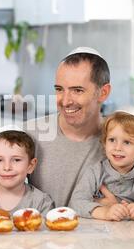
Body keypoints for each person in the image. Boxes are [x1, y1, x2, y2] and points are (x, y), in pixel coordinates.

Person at [25, 47, 111, 207]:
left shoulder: (122, 138)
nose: (65, 101)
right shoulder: (29, 134)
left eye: (77, 90)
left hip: (100, 232)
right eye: (59, 89)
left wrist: (122, 206)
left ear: (103, 93)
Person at [69, 107, 134, 221]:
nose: (117, 148)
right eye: (112, 140)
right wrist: (104, 212)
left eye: (127, 142)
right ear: (104, 142)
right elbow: (76, 202)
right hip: (102, 232)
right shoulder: (95, 172)